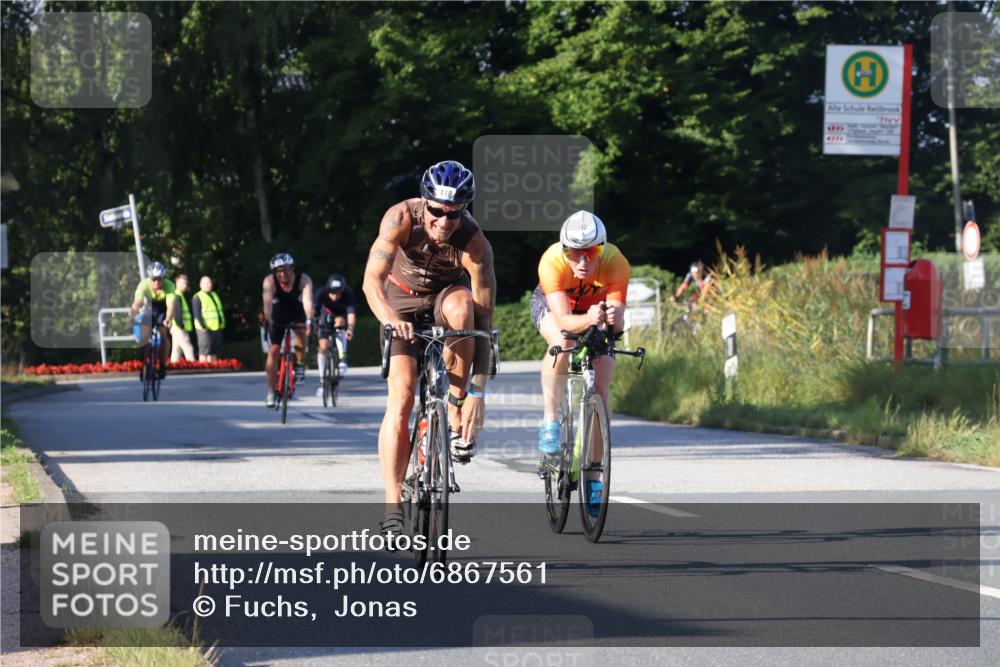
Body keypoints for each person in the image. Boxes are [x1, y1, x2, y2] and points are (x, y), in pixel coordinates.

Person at [362, 160, 495, 537]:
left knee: (464, 307)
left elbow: (485, 323)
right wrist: (389, 319)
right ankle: (392, 504)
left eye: (453, 214)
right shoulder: (400, 218)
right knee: (402, 399)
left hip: (444, 297)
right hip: (399, 301)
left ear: (464, 211)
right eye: (436, 210)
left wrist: (477, 392)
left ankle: (452, 412)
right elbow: (371, 282)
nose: (443, 221)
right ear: (426, 203)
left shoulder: (475, 244)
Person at [531, 211, 629, 516]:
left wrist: (613, 320)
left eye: (592, 252)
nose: (583, 262)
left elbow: (618, 326)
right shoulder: (551, 262)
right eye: (574, 253)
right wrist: (589, 319)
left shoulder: (617, 263)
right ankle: (550, 421)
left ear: (603, 249)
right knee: (562, 344)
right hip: (557, 308)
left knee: (600, 385)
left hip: (595, 309)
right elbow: (562, 321)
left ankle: (595, 478)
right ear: (564, 251)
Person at [262, 253, 314, 408]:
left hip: (297, 311)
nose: (282, 274)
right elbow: (267, 304)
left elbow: (308, 302)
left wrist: (309, 320)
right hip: (278, 314)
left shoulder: (303, 280)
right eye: (278, 271)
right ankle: (271, 392)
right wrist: (268, 320)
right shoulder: (269, 282)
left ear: (292, 269)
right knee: (273, 352)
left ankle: (299, 364)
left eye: (285, 270)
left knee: (302, 333)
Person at [130, 261, 176, 380]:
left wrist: (168, 319)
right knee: (143, 335)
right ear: (149, 278)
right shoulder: (143, 285)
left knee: (163, 334)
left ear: (163, 278)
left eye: (159, 279)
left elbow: (170, 306)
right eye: (153, 279)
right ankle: (144, 364)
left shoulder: (169, 286)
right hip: (148, 308)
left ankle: (163, 365)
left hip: (162, 309)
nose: (156, 282)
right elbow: (136, 304)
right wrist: (133, 317)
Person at [313, 273, 357, 397]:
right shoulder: (321, 292)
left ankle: (342, 357)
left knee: (340, 323)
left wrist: (350, 329)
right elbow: (313, 310)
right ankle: (322, 382)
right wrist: (311, 322)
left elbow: (351, 314)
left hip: (341, 316)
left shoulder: (347, 293)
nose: (335, 296)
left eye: (338, 293)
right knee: (323, 346)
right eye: (332, 293)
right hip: (325, 316)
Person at [193, 276, 225, 362]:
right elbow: (197, 314)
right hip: (204, 329)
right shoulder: (198, 296)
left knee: (213, 351)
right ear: (201, 285)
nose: (209, 285)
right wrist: (202, 326)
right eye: (206, 283)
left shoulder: (214, 295)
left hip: (216, 327)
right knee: (204, 351)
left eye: (210, 283)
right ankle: (203, 371)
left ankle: (213, 371)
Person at [168, 274, 196, 362]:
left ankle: (173, 367)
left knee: (176, 350)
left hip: (177, 327)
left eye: (185, 284)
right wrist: (181, 325)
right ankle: (193, 368)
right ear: (177, 284)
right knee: (188, 348)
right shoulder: (177, 295)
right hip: (179, 328)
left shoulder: (179, 295)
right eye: (182, 283)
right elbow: (177, 313)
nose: (185, 286)